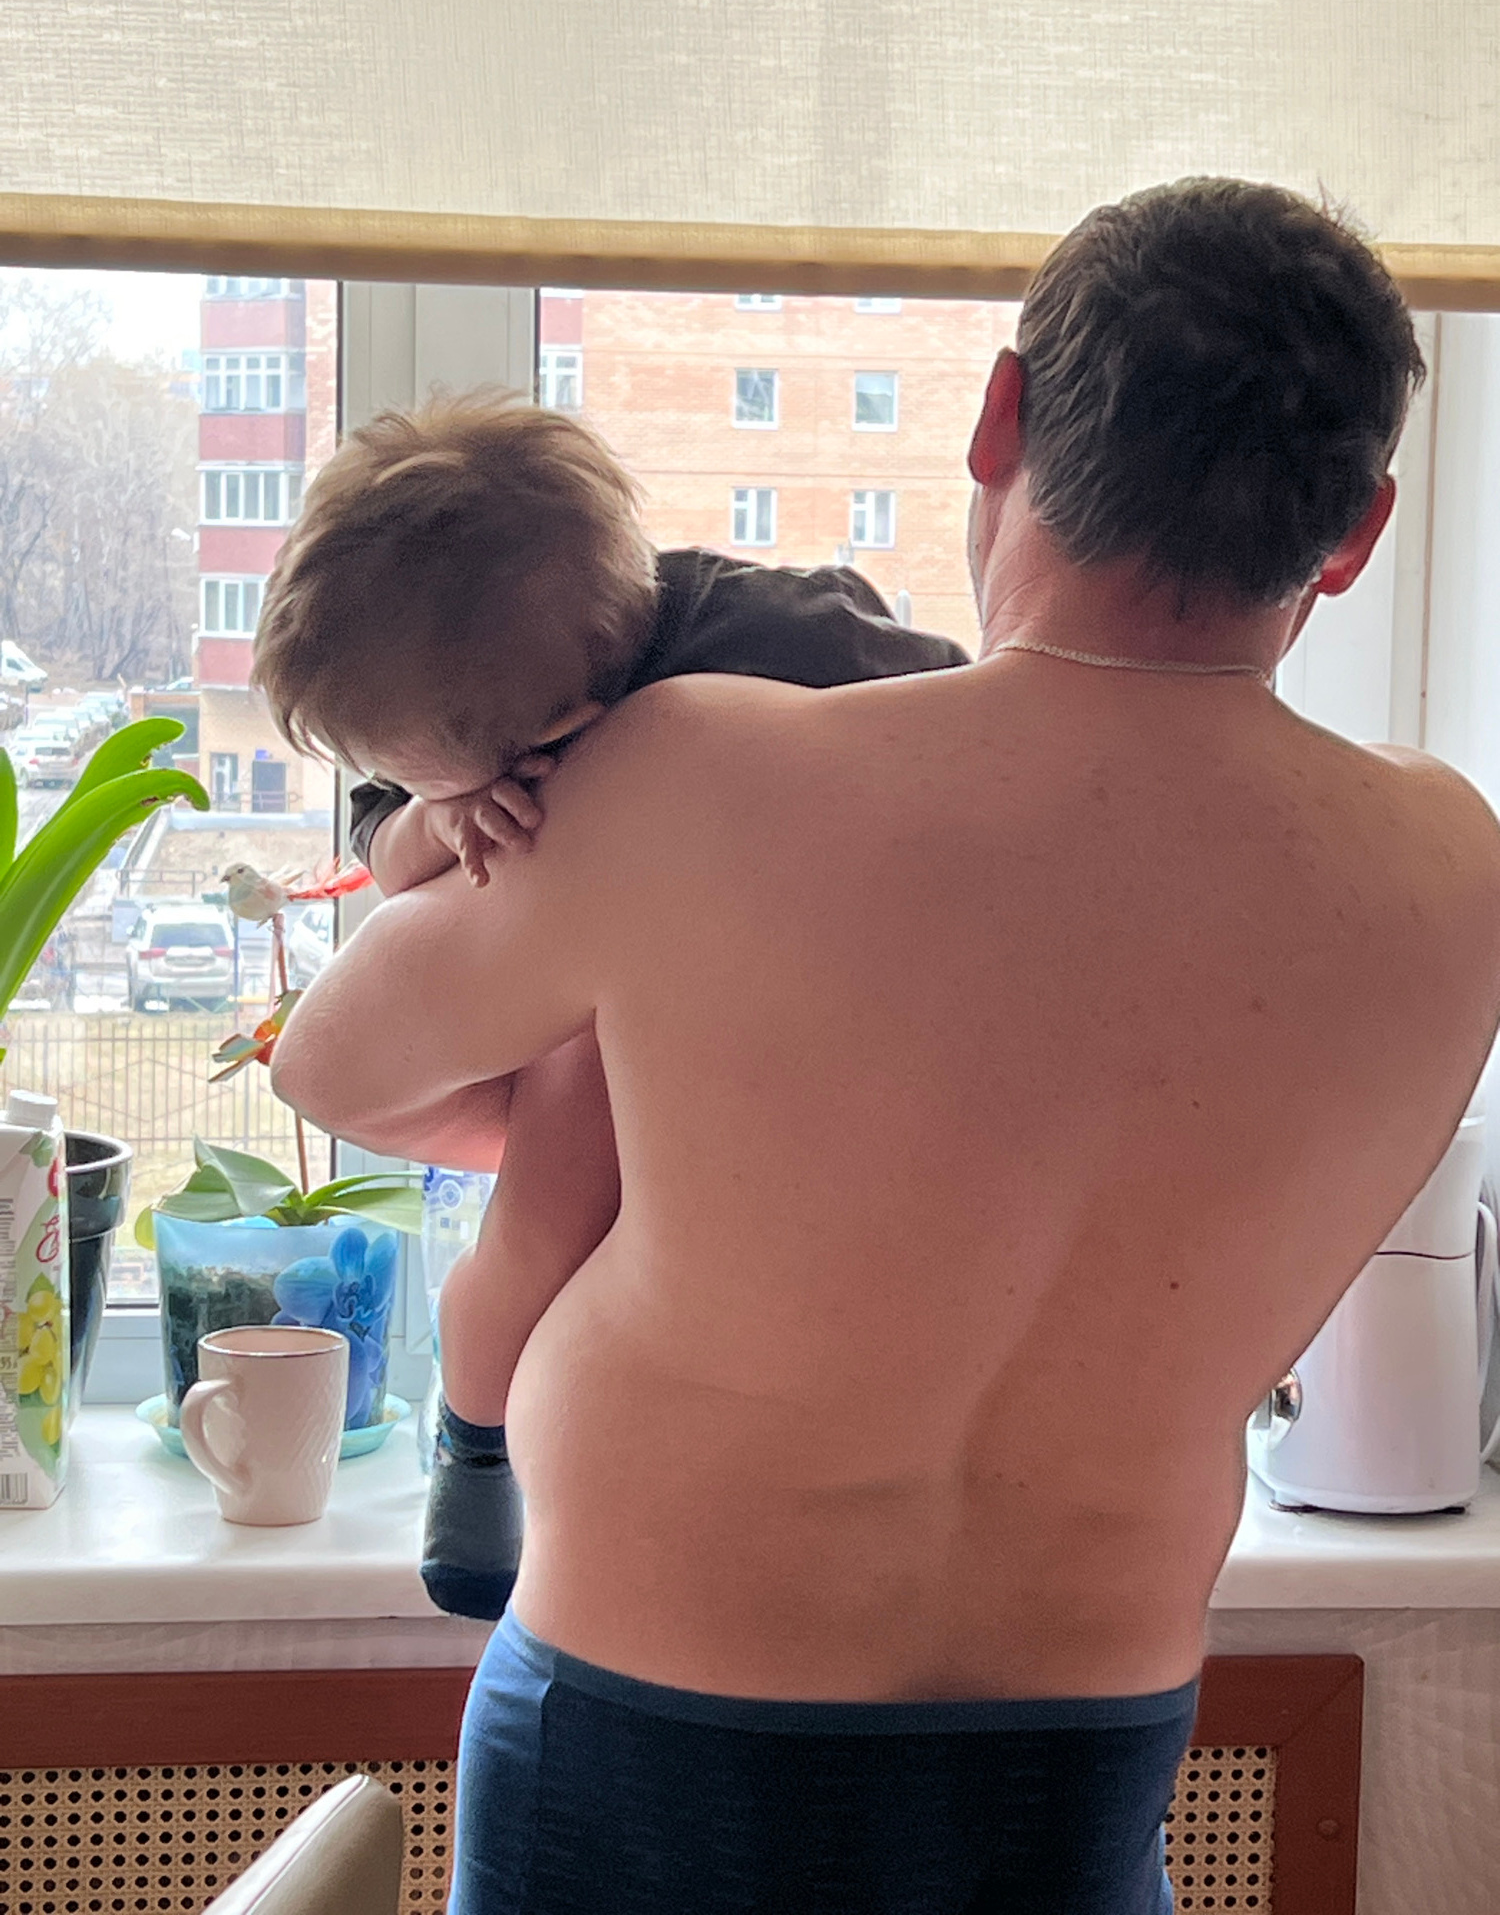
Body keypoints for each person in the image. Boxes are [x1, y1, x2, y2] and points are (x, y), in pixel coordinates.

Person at [271, 178, 1500, 1915]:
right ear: (1358, 530)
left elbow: (333, 1065)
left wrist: (669, 1088)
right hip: (1076, 1777)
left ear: (999, 419)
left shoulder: (706, 776)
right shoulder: (1453, 876)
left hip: (645, 1740)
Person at [251, 394, 968, 1617]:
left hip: (828, 1015)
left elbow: (969, 719)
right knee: (537, 1227)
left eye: (431, 777)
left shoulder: (792, 634)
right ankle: (477, 1434)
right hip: (617, 1010)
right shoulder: (473, 732)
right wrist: (441, 816)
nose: (405, 793)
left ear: (568, 734)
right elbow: (391, 854)